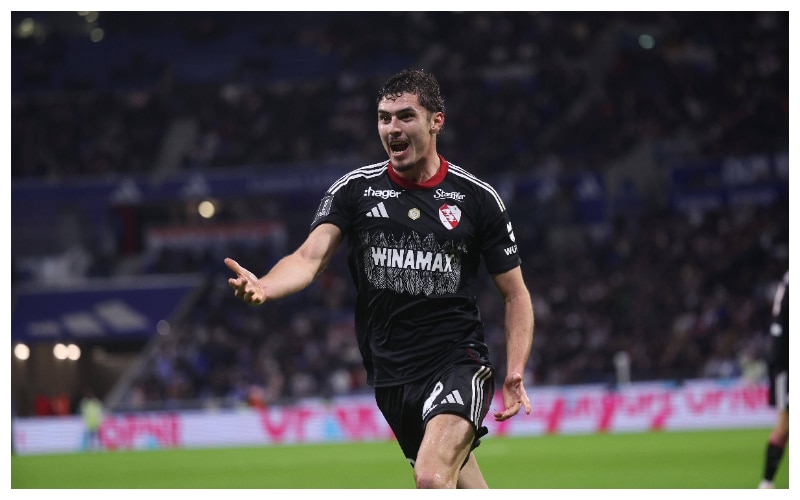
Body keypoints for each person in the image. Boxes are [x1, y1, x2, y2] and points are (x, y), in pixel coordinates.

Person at [225, 68, 534, 488]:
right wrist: (265, 285)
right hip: (392, 375)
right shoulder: (355, 191)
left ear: (436, 121)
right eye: (384, 118)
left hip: (458, 362)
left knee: (431, 478)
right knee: (459, 485)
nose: (392, 128)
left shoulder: (477, 199)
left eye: (406, 116)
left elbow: (515, 295)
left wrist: (515, 369)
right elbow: (308, 257)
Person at [758, 270, 789, 489]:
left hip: (781, 360)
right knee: (784, 425)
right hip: (786, 364)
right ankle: (767, 482)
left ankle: (767, 483)